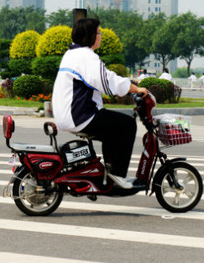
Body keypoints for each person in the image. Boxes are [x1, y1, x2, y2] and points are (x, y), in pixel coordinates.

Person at [52, 17, 149, 190]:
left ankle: (109, 173)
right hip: (80, 115)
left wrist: (128, 84)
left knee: (112, 129)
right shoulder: (85, 56)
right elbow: (107, 81)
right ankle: (117, 176)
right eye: (99, 32)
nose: (101, 36)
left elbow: (102, 78)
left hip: (69, 115)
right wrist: (135, 89)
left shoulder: (72, 53)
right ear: (90, 35)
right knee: (127, 125)